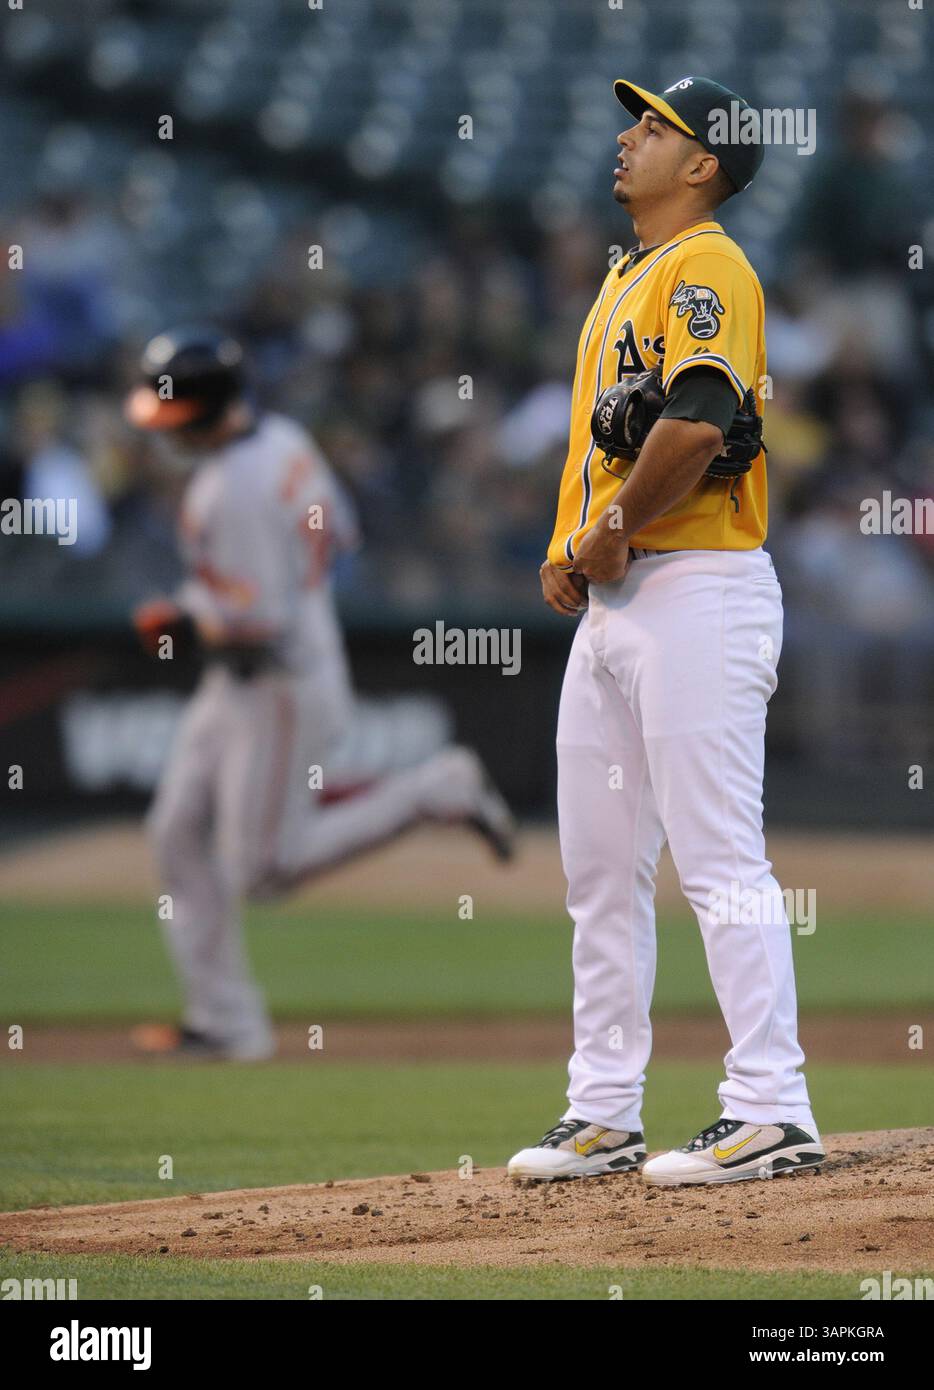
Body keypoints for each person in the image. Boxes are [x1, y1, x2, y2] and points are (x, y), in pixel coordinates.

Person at [507, 78, 823, 1186]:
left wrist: (608, 529)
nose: (625, 136)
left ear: (701, 164)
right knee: (600, 869)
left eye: (652, 126)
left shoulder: (710, 265)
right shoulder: (629, 273)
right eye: (634, 121)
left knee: (719, 855)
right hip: (621, 600)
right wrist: (575, 546)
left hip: (700, 586)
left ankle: (771, 1107)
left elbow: (702, 419)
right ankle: (602, 1111)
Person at [126, 327, 514, 1060]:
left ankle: (435, 790)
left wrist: (182, 619)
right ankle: (224, 1020)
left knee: (263, 871)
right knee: (175, 830)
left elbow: (257, 621)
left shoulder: (233, 487)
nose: (164, 429)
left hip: (278, 681)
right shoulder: (283, 440)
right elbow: (343, 537)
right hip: (249, 675)